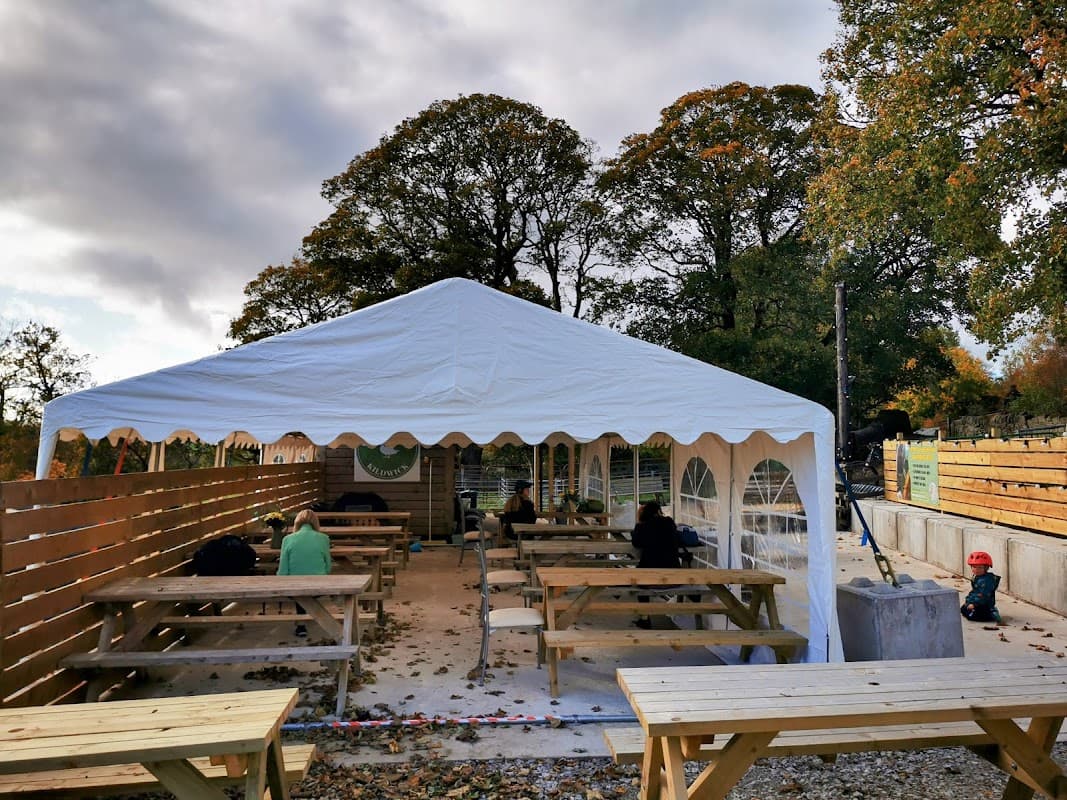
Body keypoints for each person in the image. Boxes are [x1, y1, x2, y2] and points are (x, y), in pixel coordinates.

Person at [630, 500, 690, 629]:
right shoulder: (669, 523)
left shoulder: (642, 527)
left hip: (650, 581)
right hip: (674, 579)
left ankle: (645, 618)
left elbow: (636, 543)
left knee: (638, 575)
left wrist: (638, 522)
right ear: (658, 511)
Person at [278, 509, 331, 637]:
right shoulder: (324, 538)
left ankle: (301, 625)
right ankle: (312, 619)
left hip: (295, 585)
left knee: (297, 586)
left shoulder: (287, 539)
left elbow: (283, 570)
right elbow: (328, 566)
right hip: (319, 584)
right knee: (305, 588)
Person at [961, 550, 1000, 622]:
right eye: (974, 567)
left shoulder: (987, 581)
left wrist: (974, 604)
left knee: (973, 616)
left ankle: (992, 613)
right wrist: (969, 601)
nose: (976, 570)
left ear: (986, 568)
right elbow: (974, 592)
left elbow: (983, 595)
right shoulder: (977, 577)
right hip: (978, 602)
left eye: (980, 567)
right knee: (963, 609)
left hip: (984, 604)